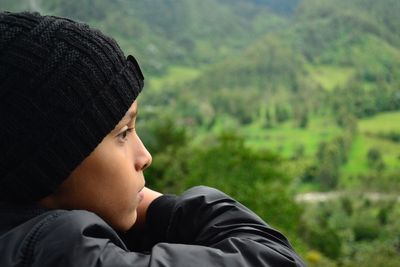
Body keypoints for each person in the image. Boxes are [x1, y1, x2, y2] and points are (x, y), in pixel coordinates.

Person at [0, 11, 305, 267]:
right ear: (51, 165)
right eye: (123, 133)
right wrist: (162, 209)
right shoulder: (64, 253)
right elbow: (275, 258)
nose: (145, 156)